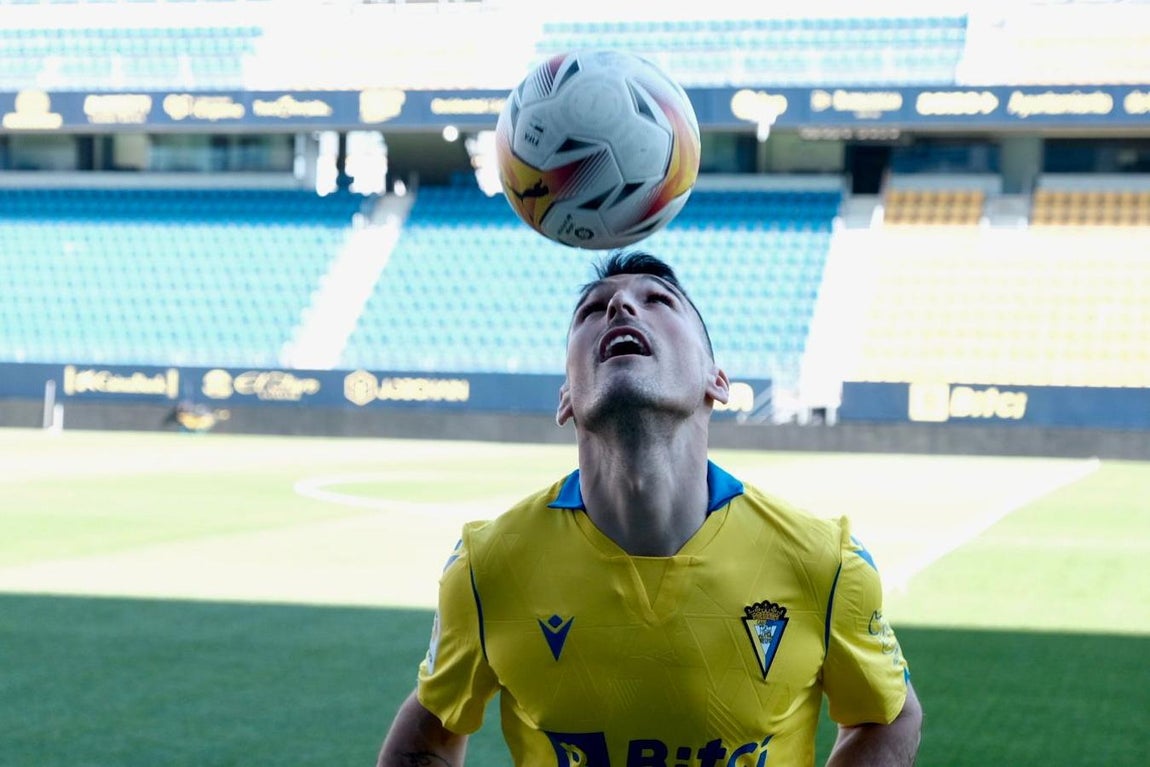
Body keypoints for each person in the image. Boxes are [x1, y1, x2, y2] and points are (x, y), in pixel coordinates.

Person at [377, 250, 922, 767]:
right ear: (566, 397)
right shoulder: (486, 565)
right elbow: (433, 728)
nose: (619, 306)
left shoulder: (824, 562)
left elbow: (887, 716)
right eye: (592, 308)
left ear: (718, 381)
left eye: (658, 300)